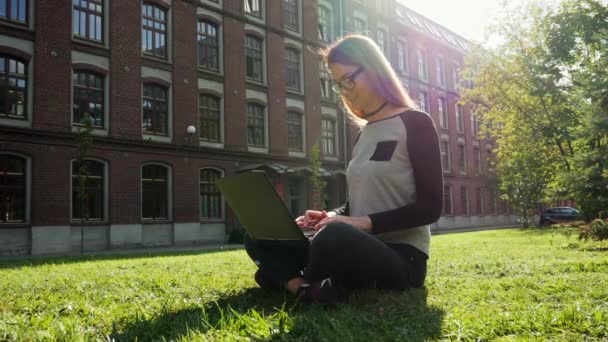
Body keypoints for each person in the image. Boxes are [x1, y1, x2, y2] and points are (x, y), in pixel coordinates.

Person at [244, 34, 443, 303]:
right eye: (339, 84)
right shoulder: (364, 134)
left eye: (348, 79)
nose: (345, 90)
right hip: (350, 245)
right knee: (260, 233)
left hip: (402, 258)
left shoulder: (416, 123)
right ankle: (304, 288)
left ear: (371, 68)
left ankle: (283, 278)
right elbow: (354, 207)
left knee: (334, 236)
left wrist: (358, 225)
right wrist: (329, 215)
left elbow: (430, 208)